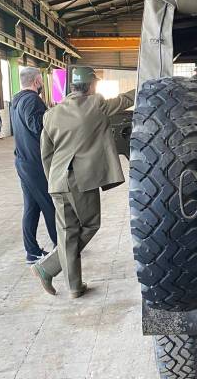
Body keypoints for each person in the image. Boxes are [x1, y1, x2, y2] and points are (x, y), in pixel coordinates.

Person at [32, 67, 135, 298]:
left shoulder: (51, 114)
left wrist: (53, 180)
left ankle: (74, 287)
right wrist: (147, 84)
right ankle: (47, 267)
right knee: (89, 225)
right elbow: (126, 100)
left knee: (68, 231)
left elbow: (45, 154)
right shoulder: (96, 104)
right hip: (80, 180)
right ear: (90, 85)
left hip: (57, 180)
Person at [11, 67, 57, 264]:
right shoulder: (31, 100)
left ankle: (32, 252)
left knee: (31, 207)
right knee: (49, 205)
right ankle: (61, 246)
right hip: (35, 163)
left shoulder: (16, 101)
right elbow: (38, 126)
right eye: (41, 81)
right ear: (37, 81)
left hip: (23, 161)